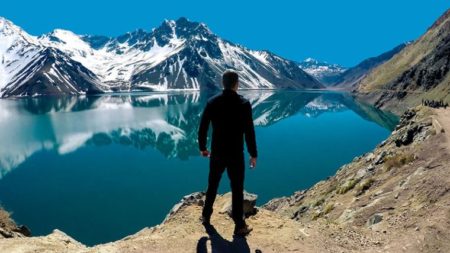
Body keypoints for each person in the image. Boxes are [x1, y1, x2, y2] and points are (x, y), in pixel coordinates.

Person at [198, 70, 258, 236]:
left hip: (217, 152)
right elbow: (249, 132)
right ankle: (239, 225)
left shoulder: (212, 102)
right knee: (237, 189)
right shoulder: (244, 104)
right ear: (237, 84)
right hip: (236, 155)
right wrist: (253, 154)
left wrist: (203, 147)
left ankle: (205, 216)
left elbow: (202, 127)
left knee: (212, 185)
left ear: (222, 83)